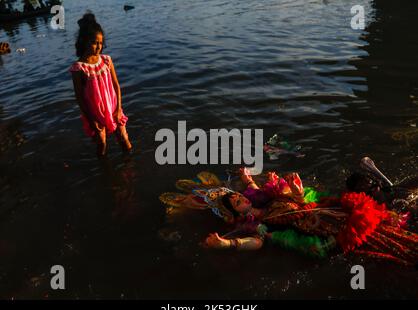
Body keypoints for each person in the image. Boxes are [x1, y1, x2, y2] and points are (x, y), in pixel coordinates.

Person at [160, 168, 418, 266]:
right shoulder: (260, 225)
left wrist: (296, 192)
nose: (242, 199)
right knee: (398, 248)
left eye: (239, 195)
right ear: (234, 214)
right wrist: (228, 244)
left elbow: (301, 200)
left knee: (393, 219)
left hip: (337, 213)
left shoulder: (271, 199)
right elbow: (260, 242)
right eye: (237, 202)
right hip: (326, 234)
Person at [69, 13, 132, 156]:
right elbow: (79, 97)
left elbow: (116, 85)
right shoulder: (79, 68)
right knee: (101, 144)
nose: (98, 46)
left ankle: (130, 168)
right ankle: (105, 170)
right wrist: (91, 120)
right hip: (94, 113)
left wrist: (118, 108)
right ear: (84, 41)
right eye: (94, 42)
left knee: (124, 139)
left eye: (100, 43)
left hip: (113, 108)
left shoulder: (106, 60)